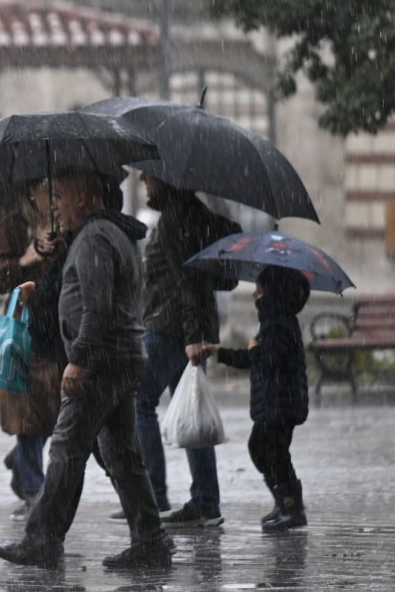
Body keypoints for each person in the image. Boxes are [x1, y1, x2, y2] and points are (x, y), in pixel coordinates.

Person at [0, 168, 173, 570]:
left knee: (67, 448)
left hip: (100, 363)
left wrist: (79, 359)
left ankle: (42, 540)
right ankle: (151, 540)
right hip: (119, 358)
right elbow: (88, 296)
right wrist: (48, 284)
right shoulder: (105, 234)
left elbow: (97, 308)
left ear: (87, 199)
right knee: (122, 454)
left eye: (61, 194)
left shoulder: (93, 238)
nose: (54, 203)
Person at [127, 170, 240, 527]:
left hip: (169, 328)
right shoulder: (192, 212)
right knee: (192, 414)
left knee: (138, 402)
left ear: (166, 177)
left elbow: (188, 279)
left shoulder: (177, 217)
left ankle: (154, 495)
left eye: (149, 172)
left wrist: (192, 336)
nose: (143, 177)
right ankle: (205, 502)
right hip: (188, 329)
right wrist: (197, 333)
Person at [0, 180, 66, 519]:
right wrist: (24, 258)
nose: (55, 196)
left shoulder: (66, 224)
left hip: (56, 328)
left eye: (58, 190)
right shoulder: (14, 226)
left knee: (54, 411)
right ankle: (32, 488)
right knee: (26, 412)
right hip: (22, 327)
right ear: (31, 193)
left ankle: (21, 459)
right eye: (48, 189)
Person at [209, 266, 310, 532]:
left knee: (274, 453)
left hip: (281, 405)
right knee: (262, 449)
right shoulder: (273, 323)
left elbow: (268, 360)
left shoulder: (279, 325)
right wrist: (221, 354)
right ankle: (284, 503)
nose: (254, 295)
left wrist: (254, 349)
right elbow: (256, 360)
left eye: (260, 290)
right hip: (274, 404)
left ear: (273, 294)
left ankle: (292, 507)